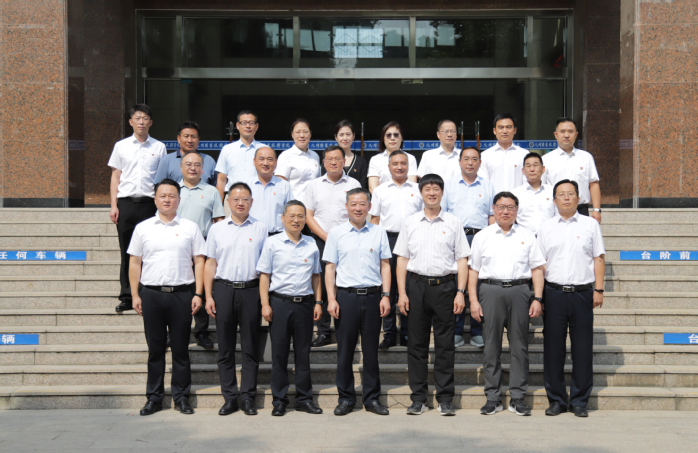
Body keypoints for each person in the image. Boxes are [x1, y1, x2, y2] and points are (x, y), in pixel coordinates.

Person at [128, 178, 206, 416]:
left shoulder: (190, 227)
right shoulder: (143, 228)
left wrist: (198, 293)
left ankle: (181, 397)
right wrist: (135, 294)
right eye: (162, 196)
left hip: (182, 294)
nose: (167, 200)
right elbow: (135, 262)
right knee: (155, 350)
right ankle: (154, 398)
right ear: (155, 199)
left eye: (172, 196)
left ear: (179, 200)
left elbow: (199, 261)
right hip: (151, 294)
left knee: (181, 349)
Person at [394, 174, 470, 416]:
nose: (432, 193)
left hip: (445, 288)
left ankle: (445, 399)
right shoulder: (410, 223)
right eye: (427, 189)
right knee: (416, 345)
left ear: (442, 192)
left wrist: (461, 292)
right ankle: (418, 399)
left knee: (445, 346)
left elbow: (462, 260)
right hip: (416, 287)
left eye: (436, 188)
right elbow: (402, 259)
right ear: (421, 193)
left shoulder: (454, 222)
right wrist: (402, 292)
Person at [468, 191, 545, 417]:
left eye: (510, 207)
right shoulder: (482, 236)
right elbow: (473, 271)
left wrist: (537, 298)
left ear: (517, 210)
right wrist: (473, 300)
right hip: (490, 291)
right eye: (501, 207)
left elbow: (537, 269)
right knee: (491, 346)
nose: (505, 211)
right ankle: (493, 398)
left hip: (520, 291)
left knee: (519, 346)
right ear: (493, 209)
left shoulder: (527, 235)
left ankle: (518, 397)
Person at [539, 179, 606, 418]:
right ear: (554, 200)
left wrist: (599, 290)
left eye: (570, 194)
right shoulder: (546, 227)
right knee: (553, 349)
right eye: (561, 194)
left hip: (582, 294)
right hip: (553, 293)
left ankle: (579, 401)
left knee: (582, 348)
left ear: (578, 198)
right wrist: (539, 296)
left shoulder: (590, 225)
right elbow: (540, 263)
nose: (566, 198)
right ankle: (557, 400)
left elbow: (599, 258)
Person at [324, 188, 392, 416]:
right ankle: (345, 398)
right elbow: (330, 268)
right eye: (353, 204)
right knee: (345, 352)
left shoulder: (379, 232)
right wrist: (331, 298)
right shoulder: (336, 233)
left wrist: (385, 295)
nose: (358, 208)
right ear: (346, 207)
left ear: (369, 207)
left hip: (373, 297)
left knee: (371, 352)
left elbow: (385, 265)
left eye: (362, 204)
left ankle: (372, 399)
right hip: (346, 297)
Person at [204, 182, 268, 417]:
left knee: (250, 347)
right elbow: (210, 263)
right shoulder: (217, 229)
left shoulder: (261, 228)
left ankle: (248, 397)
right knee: (226, 348)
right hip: (224, 290)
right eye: (236, 199)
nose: (241, 203)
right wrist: (208, 295)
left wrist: (264, 299)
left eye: (245, 199)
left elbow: (266, 267)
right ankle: (230, 397)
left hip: (251, 291)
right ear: (228, 201)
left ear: (251, 202)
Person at [257, 200, 324, 416]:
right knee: (279, 354)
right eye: (292, 216)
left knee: (303, 354)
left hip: (304, 304)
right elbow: (264, 275)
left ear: (306, 219)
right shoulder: (272, 243)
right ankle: (279, 400)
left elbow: (316, 276)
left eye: (300, 216)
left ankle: (304, 399)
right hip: (280, 303)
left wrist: (318, 302)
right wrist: (265, 304)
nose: (296, 220)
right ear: (283, 218)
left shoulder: (311, 243)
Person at [109, 104, 167, 313]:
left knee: (149, 250)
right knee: (127, 251)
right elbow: (115, 177)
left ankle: (146, 293)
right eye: (137, 118)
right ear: (130, 121)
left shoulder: (159, 147)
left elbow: (161, 179)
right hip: (126, 203)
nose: (141, 122)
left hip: (149, 205)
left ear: (151, 122)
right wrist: (114, 205)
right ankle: (126, 296)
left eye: (145, 118)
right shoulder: (121, 146)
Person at [304, 145, 361, 347]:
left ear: (344, 161)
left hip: (348, 241)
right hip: (321, 239)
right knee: (321, 282)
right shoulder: (314, 185)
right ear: (324, 162)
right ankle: (323, 331)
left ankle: (344, 328)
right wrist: (326, 236)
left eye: (338, 159)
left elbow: (358, 212)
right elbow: (308, 215)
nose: (334, 162)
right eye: (330, 159)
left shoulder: (353, 183)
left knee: (344, 283)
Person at [442, 146, 495, 349]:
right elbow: (443, 214)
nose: (470, 163)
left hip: (480, 238)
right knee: (456, 284)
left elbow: (492, 216)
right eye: (466, 159)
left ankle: (477, 331)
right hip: (455, 237)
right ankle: (455, 331)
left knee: (478, 285)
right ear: (459, 162)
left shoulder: (488, 187)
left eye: (474, 159)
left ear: (480, 163)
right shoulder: (449, 185)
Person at [369, 151, 423, 348]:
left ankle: (408, 333)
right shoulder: (380, 190)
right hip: (388, 240)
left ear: (409, 166)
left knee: (410, 287)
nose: (399, 167)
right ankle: (390, 333)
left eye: (403, 163)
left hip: (413, 241)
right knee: (388, 287)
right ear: (388, 167)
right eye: (395, 164)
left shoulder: (418, 189)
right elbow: (375, 220)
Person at [176, 152, 225, 349]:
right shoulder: (172, 190)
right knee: (178, 288)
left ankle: (202, 331)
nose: (192, 168)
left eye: (197, 164)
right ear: (181, 167)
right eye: (188, 164)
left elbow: (218, 220)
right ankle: (177, 331)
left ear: (202, 169)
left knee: (201, 288)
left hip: (202, 244)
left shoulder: (211, 191)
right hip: (176, 244)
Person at [543, 117, 602, 222]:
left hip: (581, 209)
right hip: (555, 210)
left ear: (576, 134)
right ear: (556, 135)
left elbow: (593, 183)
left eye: (570, 131)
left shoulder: (586, 157)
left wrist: (597, 209)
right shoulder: (546, 160)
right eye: (562, 131)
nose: (566, 135)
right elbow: (542, 187)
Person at [216, 110, 266, 207]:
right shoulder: (227, 149)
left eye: (251, 123)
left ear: (257, 126)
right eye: (244, 123)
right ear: (238, 125)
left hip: (257, 198)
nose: (248, 126)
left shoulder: (264, 149)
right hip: (232, 199)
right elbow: (221, 180)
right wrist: (218, 207)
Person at [154, 121, 217, 186]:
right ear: (179, 138)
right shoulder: (167, 160)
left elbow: (217, 186)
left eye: (193, 137)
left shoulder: (209, 161)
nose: (190, 140)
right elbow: (159, 186)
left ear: (198, 139)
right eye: (186, 136)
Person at [247, 147, 294, 235]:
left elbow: (291, 212)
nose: (265, 163)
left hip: (277, 235)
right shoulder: (246, 185)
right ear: (254, 161)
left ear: (276, 162)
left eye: (270, 159)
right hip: (251, 234)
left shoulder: (284, 185)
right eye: (261, 159)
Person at [275, 119, 321, 206]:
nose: (302, 135)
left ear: (310, 134)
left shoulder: (315, 156)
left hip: (313, 206)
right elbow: (279, 186)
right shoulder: (285, 156)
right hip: (294, 206)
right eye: (298, 132)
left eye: (305, 132)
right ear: (292, 134)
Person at [480, 113, 529, 194]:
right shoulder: (485, 156)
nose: (505, 131)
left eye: (508, 127)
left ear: (515, 130)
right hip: (494, 201)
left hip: (517, 200)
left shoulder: (524, 154)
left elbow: (527, 182)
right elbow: (484, 184)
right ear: (494, 131)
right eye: (501, 127)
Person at [512, 153, 556, 237]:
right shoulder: (515, 194)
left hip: (550, 237)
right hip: (524, 238)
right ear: (523, 171)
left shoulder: (553, 191)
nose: (532, 169)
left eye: (535, 165)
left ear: (543, 169)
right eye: (528, 166)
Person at [367, 121, 418, 193]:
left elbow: (412, 185)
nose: (392, 138)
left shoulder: (410, 158)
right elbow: (373, 187)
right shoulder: (375, 160)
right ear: (383, 138)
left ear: (401, 138)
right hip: (382, 198)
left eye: (396, 135)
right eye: (388, 135)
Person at [332, 120, 368, 189]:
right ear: (336, 137)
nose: (345, 138)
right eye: (341, 135)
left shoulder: (360, 161)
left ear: (353, 136)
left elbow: (363, 187)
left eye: (348, 134)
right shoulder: (329, 159)